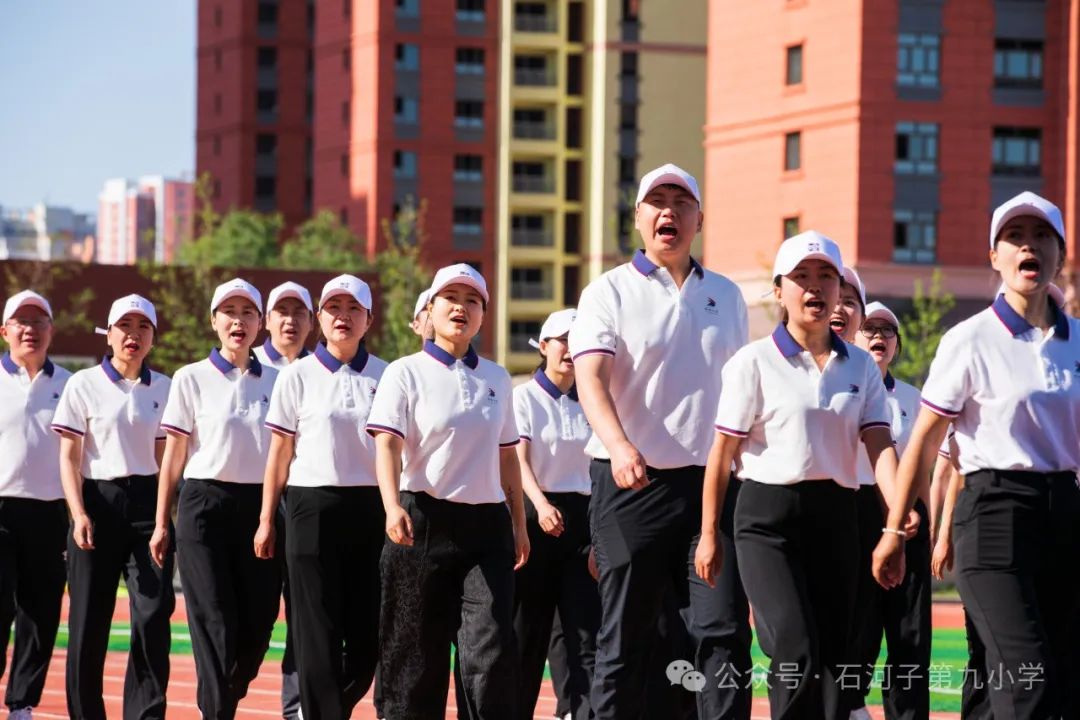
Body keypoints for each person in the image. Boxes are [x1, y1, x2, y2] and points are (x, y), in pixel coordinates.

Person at [874, 191, 1080, 718]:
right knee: (1026, 677)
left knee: (1055, 685)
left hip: (1065, 516)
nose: (1028, 247)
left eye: (1041, 236)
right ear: (994, 256)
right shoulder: (969, 339)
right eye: (1014, 237)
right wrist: (896, 530)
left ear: (1060, 251)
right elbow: (922, 438)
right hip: (993, 517)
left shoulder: (1077, 339)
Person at [569, 163, 751, 719]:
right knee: (626, 634)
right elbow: (590, 379)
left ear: (699, 218)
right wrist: (621, 446)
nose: (668, 210)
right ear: (639, 217)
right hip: (630, 484)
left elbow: (743, 389)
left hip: (710, 490)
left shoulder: (727, 295)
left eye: (681, 201)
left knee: (720, 632)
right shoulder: (607, 292)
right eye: (656, 200)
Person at [697, 231, 899, 719]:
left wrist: (897, 514)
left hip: (837, 517)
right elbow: (722, 453)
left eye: (825, 276)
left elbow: (879, 446)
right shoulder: (754, 361)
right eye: (801, 278)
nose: (814, 288)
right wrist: (708, 535)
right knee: (794, 647)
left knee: (833, 656)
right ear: (779, 290)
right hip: (767, 518)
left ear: (839, 287)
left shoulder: (861, 369)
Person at [367, 263, 529, 719]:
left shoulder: (497, 379)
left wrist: (518, 524)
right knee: (414, 651)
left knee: (491, 647)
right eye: (451, 299)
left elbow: (507, 457)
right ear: (431, 310)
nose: (462, 307)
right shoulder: (405, 372)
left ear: (482, 316)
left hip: (487, 528)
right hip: (421, 523)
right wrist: (391, 505)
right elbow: (388, 444)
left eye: (473, 300)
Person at [254, 275, 387, 720]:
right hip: (310, 509)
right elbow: (279, 453)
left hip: (372, 510)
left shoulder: (388, 376)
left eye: (354, 309)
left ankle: (328, 710)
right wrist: (267, 518)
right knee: (315, 632)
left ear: (369, 318)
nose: (343, 317)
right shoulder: (296, 376)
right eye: (333, 308)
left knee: (369, 639)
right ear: (320, 318)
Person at [149, 278, 281, 719]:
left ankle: (222, 696)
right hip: (202, 506)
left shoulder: (281, 381)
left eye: (248, 313)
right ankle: (216, 712)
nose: (238, 321)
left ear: (261, 324)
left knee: (259, 625)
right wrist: (162, 522)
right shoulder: (190, 378)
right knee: (214, 620)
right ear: (214, 321)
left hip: (261, 510)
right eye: (229, 312)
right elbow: (172, 459)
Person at [52, 294, 173, 720]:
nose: (133, 335)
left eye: (143, 327)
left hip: (147, 507)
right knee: (88, 621)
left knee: (154, 613)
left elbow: (166, 460)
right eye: (125, 326)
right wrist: (78, 513)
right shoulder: (83, 384)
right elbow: (69, 456)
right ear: (110, 332)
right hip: (96, 504)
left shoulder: (165, 388)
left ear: (153, 338)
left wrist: (163, 519)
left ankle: (144, 713)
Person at [512, 308, 599, 720]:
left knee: (582, 630)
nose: (569, 349)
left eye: (578, 340)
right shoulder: (524, 398)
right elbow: (519, 460)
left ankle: (575, 712)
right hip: (536, 516)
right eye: (562, 339)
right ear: (544, 346)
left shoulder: (594, 399)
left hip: (583, 521)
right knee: (527, 629)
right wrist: (542, 504)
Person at [848, 302, 929, 720]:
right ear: (855, 337)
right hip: (858, 520)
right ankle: (852, 709)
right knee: (857, 632)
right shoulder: (847, 388)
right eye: (870, 328)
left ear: (896, 344)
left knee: (910, 638)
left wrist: (930, 525)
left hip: (910, 527)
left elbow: (924, 467)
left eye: (888, 330)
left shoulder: (915, 399)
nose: (879, 335)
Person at [0, 291, 71, 720]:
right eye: (20, 322)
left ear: (51, 330)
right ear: (4, 331)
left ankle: (22, 702)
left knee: (41, 612)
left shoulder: (70, 384)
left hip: (49, 513)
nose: (30, 329)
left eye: (39, 321)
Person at [252, 280, 313, 720]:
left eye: (299, 312)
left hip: (304, 504)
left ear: (312, 323)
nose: (290, 320)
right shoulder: (246, 367)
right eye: (281, 311)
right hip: (248, 507)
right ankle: (229, 684)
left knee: (304, 613)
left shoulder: (322, 370)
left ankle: (295, 705)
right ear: (266, 320)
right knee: (255, 615)